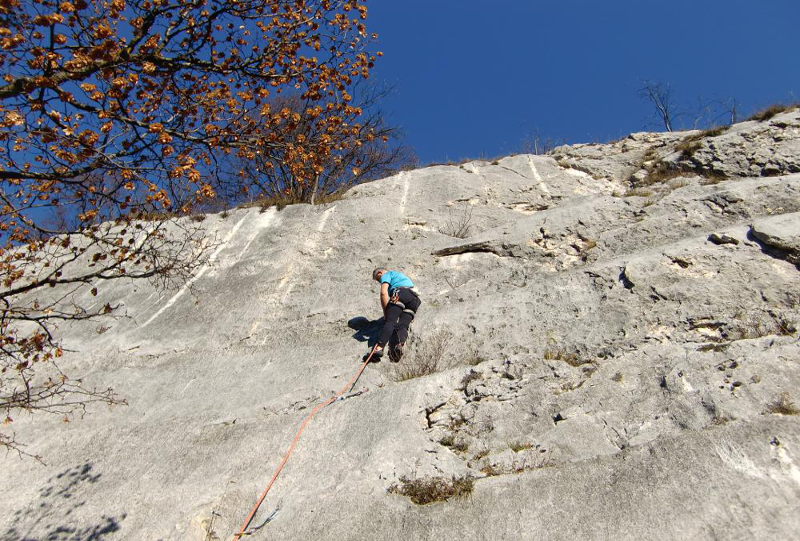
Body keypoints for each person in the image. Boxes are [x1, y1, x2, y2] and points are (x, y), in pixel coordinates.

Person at [371, 267, 421, 361]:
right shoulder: (400, 276)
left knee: (390, 321)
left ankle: (379, 348)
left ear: (380, 273)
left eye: (378, 279)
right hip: (414, 299)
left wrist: (386, 312)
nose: (380, 282)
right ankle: (399, 344)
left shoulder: (387, 274)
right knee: (403, 325)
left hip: (400, 293)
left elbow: (383, 293)